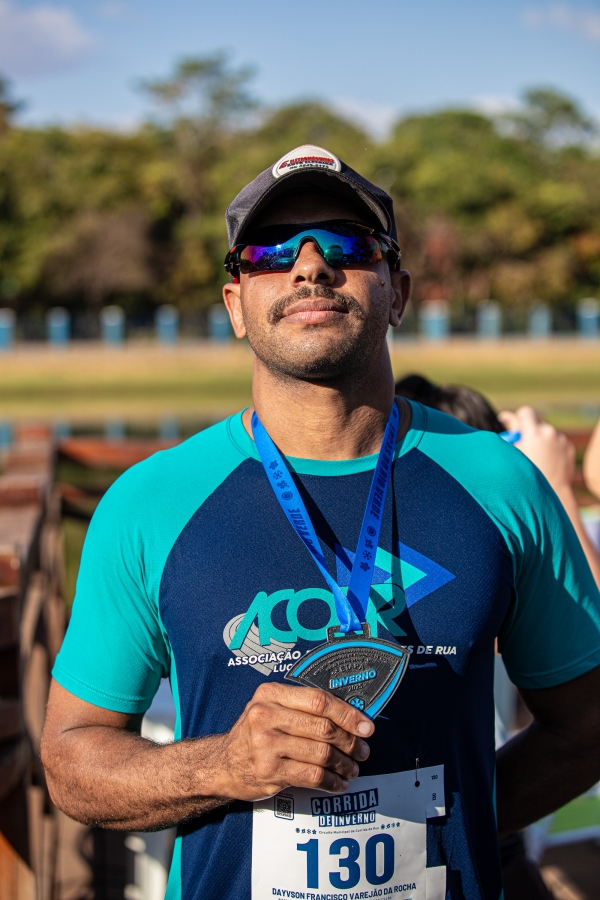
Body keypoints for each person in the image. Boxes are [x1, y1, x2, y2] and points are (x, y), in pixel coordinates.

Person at [41, 145, 600, 900]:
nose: (310, 266)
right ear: (235, 305)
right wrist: (225, 765)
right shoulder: (149, 502)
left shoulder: (500, 482)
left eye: (347, 245)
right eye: (271, 251)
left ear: (397, 291)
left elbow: (587, 725)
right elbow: (72, 761)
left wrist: (456, 820)